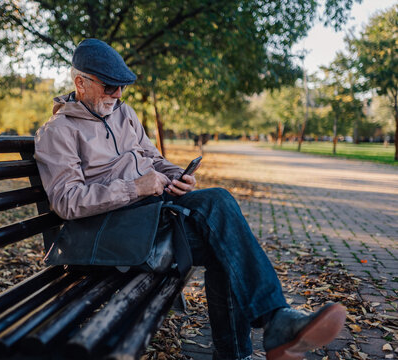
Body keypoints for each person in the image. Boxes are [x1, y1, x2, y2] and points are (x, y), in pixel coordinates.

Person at [34, 38, 346, 360]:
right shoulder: (59, 131)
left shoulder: (124, 115)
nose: (118, 95)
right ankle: (272, 325)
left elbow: (152, 158)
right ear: (80, 83)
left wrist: (175, 176)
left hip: (148, 217)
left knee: (222, 234)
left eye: (122, 87)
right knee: (220, 213)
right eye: (110, 87)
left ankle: (259, 335)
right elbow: (67, 201)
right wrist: (136, 188)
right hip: (107, 233)